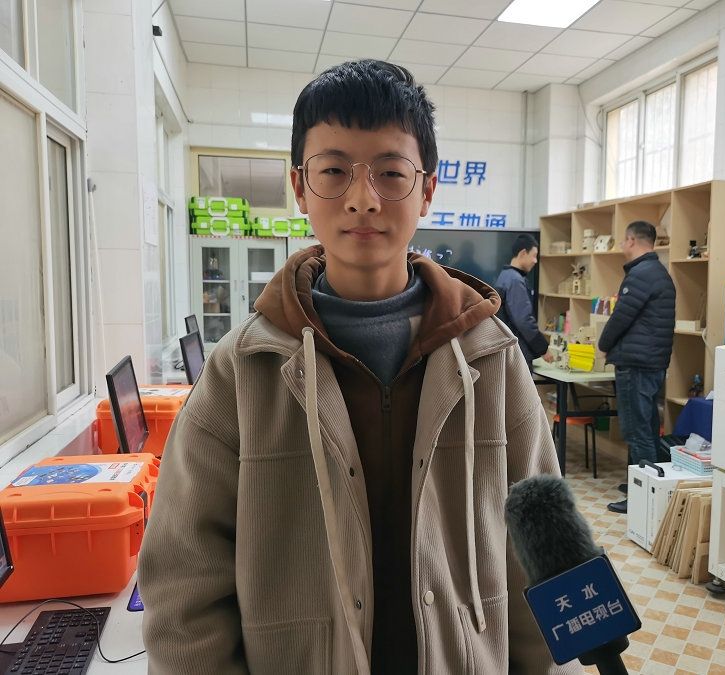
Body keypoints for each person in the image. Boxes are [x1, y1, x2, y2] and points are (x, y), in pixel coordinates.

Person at [138, 60, 578, 675]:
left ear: (427, 190)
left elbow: (544, 552)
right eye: (334, 171)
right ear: (300, 187)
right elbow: (183, 583)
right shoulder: (243, 371)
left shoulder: (491, 356)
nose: (363, 198)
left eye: (391, 173)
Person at [598, 220, 675, 514]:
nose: (621, 246)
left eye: (623, 240)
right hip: (652, 363)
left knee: (637, 431)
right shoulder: (658, 272)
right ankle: (641, 484)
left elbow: (621, 316)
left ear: (631, 240)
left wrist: (603, 344)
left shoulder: (641, 274)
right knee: (648, 427)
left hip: (636, 364)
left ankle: (643, 499)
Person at [495, 234, 553, 370]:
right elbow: (524, 320)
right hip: (518, 352)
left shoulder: (504, 276)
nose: (535, 261)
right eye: (534, 255)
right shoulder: (515, 280)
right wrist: (543, 348)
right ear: (522, 253)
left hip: (506, 350)